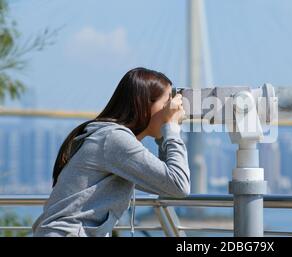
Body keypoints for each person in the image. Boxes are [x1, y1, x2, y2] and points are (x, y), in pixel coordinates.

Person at [32, 67, 190, 237]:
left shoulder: (108, 135)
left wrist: (164, 133)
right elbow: (178, 185)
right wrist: (171, 129)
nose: (172, 111)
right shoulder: (114, 139)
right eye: (167, 103)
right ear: (145, 105)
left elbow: (163, 183)